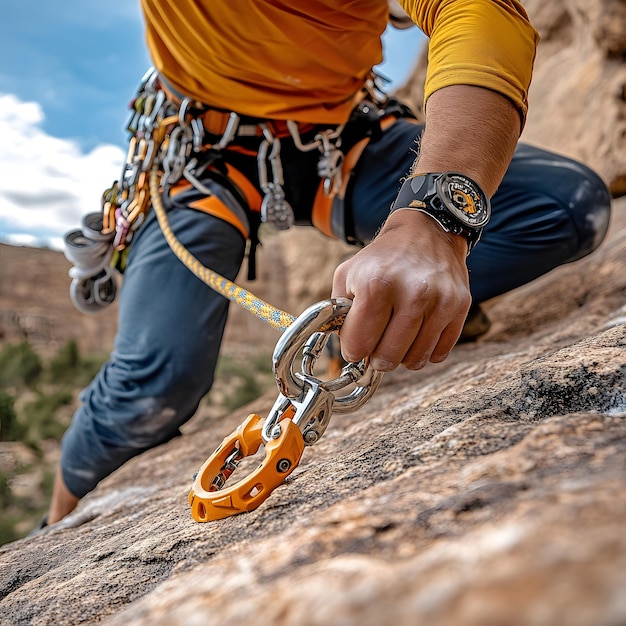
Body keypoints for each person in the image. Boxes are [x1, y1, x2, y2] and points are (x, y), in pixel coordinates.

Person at [43, 0, 612, 527]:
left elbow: (476, 10)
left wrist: (434, 219)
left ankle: (379, 320)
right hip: (204, 155)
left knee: (564, 208)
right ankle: (55, 527)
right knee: (152, 385)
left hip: (338, 141)